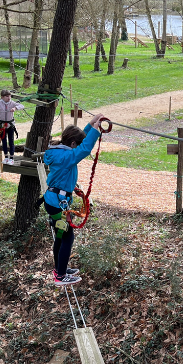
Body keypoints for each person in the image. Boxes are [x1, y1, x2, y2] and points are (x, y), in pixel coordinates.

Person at [43, 114, 105, 285]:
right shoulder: (66, 157)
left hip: (54, 200)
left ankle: (59, 269)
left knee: (61, 236)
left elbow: (80, 142)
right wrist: (95, 130)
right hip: (57, 203)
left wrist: (91, 125)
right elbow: (84, 149)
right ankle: (60, 276)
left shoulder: (61, 152)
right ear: (72, 144)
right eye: (76, 145)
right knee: (67, 238)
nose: (77, 149)